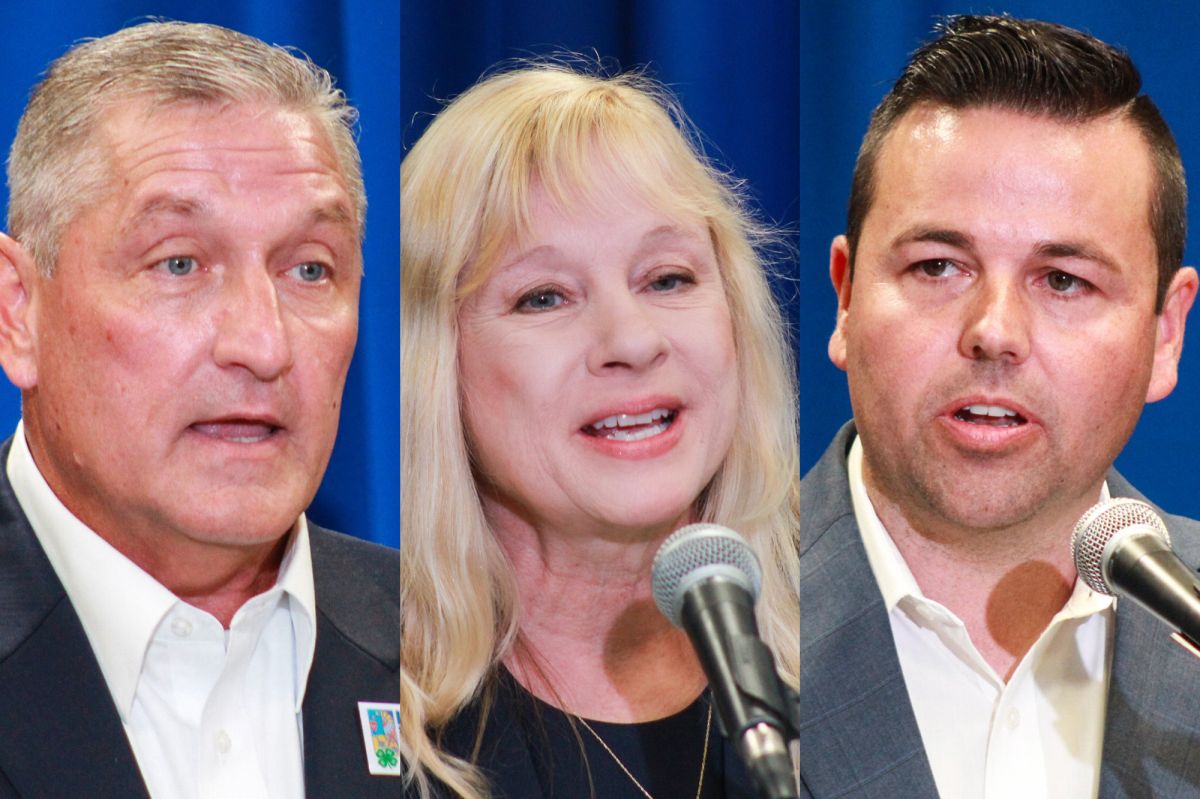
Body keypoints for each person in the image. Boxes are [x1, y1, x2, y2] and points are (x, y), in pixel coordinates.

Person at [801, 14, 1200, 799]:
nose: (994, 332)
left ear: (1165, 333)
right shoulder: (699, 633)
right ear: (845, 298)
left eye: (1063, 280)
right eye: (939, 265)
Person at [0, 22, 399, 798]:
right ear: (19, 312)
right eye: (178, 262)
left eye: (310, 269)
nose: (262, 342)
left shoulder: (469, 666)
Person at [400, 63, 800, 798]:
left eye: (667, 279)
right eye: (544, 296)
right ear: (437, 367)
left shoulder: (858, 646)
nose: (633, 339)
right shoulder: (357, 723)